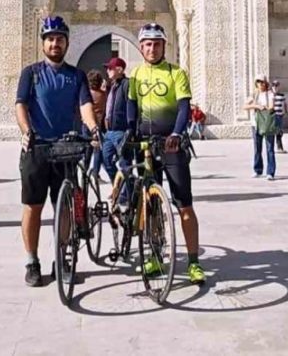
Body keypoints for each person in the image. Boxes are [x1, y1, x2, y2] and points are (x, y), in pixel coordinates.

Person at [15, 16, 100, 287]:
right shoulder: (31, 73)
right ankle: (32, 261)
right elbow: (21, 105)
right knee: (33, 206)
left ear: (66, 43)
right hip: (37, 147)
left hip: (66, 148)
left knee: (64, 208)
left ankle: (61, 257)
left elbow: (85, 105)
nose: (55, 43)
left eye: (59, 39)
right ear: (43, 43)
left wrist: (93, 128)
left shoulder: (76, 76)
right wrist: (26, 131)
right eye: (50, 39)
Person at [126, 22, 206, 285]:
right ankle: (156, 255)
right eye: (147, 44)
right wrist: (129, 134)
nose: (152, 48)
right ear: (141, 47)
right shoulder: (135, 75)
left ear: (164, 46)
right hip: (146, 146)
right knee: (151, 206)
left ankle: (194, 261)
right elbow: (131, 108)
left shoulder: (176, 73)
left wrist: (176, 134)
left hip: (171, 146)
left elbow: (183, 108)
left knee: (184, 205)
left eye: (157, 44)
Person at [100, 57, 130, 183]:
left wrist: (130, 128)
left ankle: (125, 194)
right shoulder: (112, 86)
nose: (107, 71)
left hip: (121, 131)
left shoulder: (126, 84)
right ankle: (117, 187)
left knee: (124, 164)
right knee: (106, 160)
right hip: (109, 131)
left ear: (119, 69)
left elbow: (130, 105)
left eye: (110, 68)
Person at [244, 77, 277, 180]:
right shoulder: (254, 95)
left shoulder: (269, 94)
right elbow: (245, 106)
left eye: (262, 82)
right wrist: (256, 106)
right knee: (257, 148)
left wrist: (264, 107)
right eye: (258, 82)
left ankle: (270, 172)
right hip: (256, 124)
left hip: (267, 124)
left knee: (270, 148)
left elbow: (271, 106)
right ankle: (258, 169)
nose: (260, 84)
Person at [86, 69, 108, 181]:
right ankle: (95, 173)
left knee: (87, 149)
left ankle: (85, 171)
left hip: (86, 124)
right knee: (98, 150)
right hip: (97, 125)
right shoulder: (103, 95)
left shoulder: (86, 94)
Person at [272, 80, 288, 152]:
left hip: (279, 115)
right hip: (272, 116)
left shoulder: (282, 95)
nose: (275, 87)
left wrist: (286, 111)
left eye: (276, 86)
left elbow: (285, 104)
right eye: (274, 86)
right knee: (272, 132)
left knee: (279, 131)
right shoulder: (270, 95)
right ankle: (271, 148)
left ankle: (279, 147)